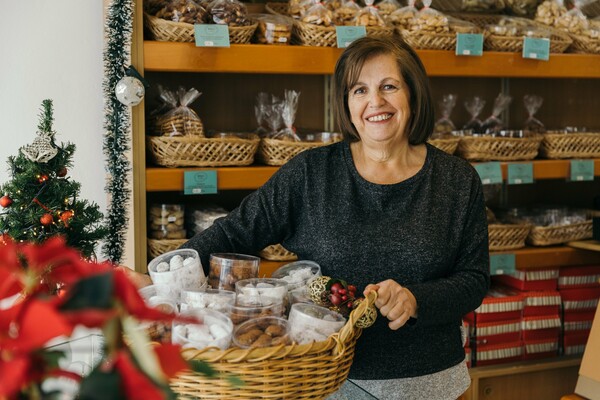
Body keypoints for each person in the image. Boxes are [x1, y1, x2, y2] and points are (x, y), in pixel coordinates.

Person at [133, 35, 490, 399]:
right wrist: (154, 280)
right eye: (359, 90)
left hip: (430, 383)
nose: (375, 102)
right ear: (346, 103)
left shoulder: (456, 180)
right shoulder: (311, 174)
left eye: (389, 86)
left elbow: (474, 279)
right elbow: (235, 233)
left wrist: (416, 299)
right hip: (324, 379)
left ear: (413, 94)